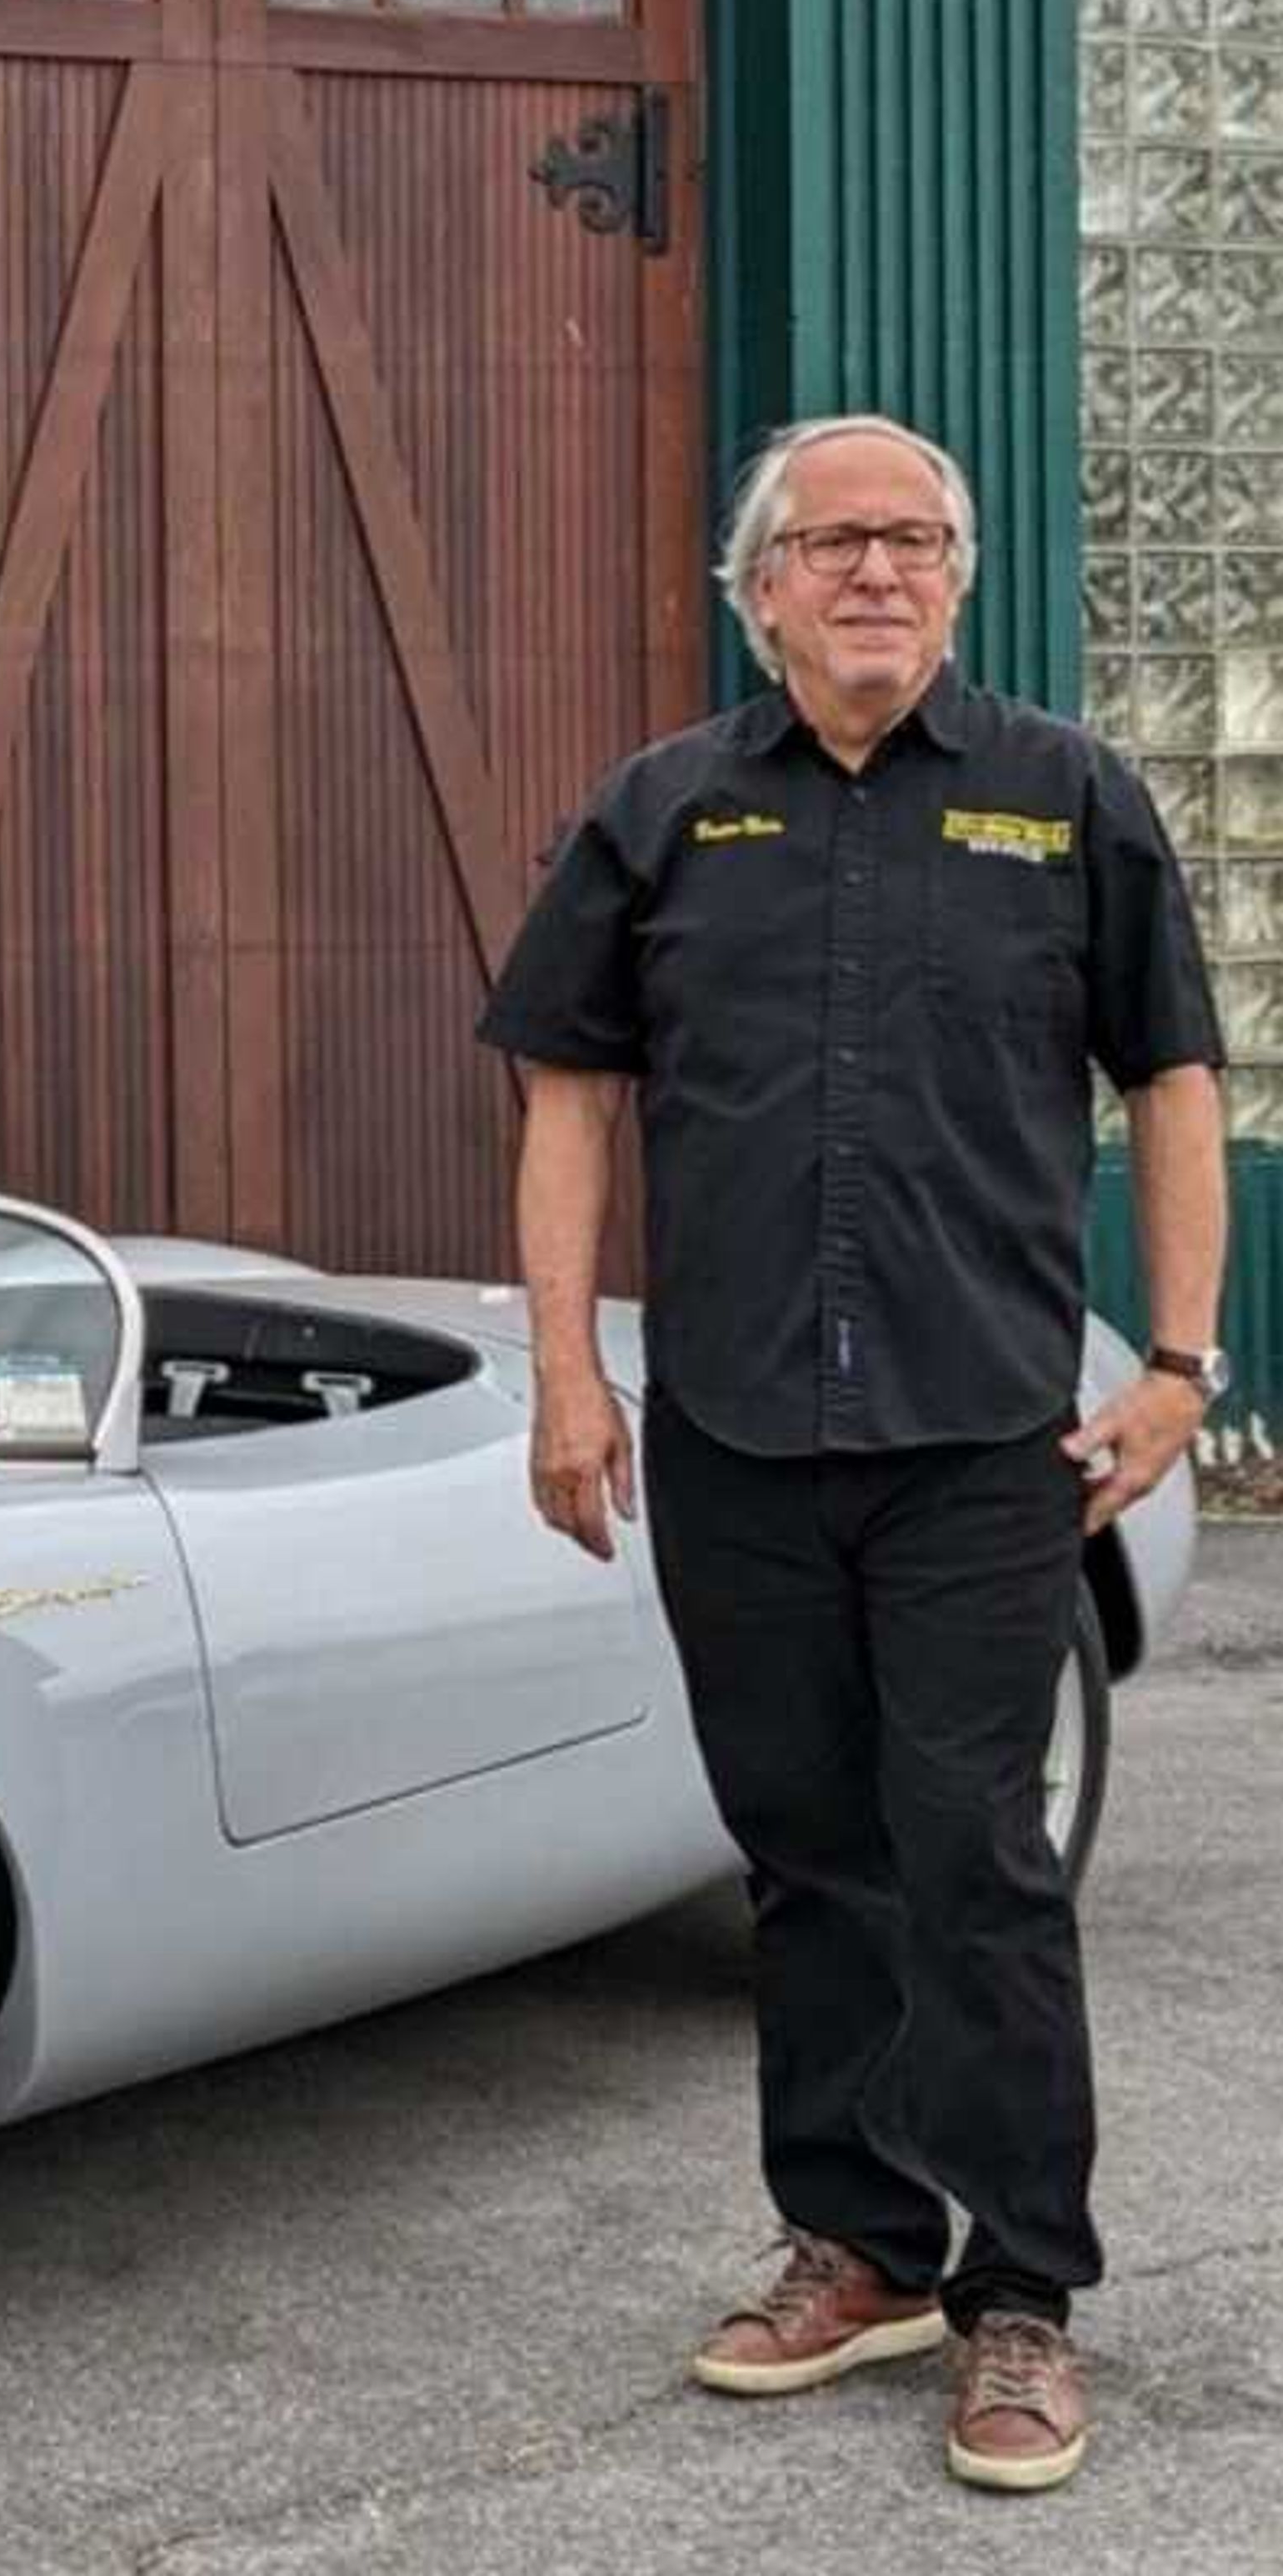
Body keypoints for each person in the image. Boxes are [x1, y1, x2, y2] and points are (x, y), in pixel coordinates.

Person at [478, 413, 1227, 2496]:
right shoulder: (663, 813)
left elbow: (1175, 1074)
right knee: (804, 1849)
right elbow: (563, 1091)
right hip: (735, 1421)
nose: (878, 569)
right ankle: (862, 2241)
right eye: (835, 540)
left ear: (958, 579)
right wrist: (566, 1368)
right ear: (762, 587)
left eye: (915, 538)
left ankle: (1019, 2296)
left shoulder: (1070, 802)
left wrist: (1179, 1359)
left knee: (976, 1857)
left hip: (990, 1430)